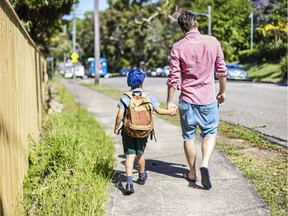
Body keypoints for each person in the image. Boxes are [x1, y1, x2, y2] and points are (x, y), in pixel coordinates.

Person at [166, 11, 227, 189]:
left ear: (181, 28)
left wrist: (170, 101)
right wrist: (222, 92)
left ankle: (192, 172)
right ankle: (205, 163)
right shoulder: (213, 42)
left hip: (187, 100)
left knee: (188, 137)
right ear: (196, 24)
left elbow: (173, 78)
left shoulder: (178, 47)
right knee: (210, 133)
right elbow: (222, 72)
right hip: (208, 99)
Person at [114, 69, 178, 195]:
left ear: (129, 83)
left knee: (129, 156)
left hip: (128, 131)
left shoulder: (125, 97)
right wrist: (171, 112)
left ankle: (129, 182)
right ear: (142, 83)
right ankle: (142, 176)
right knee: (140, 154)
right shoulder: (148, 96)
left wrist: (116, 127)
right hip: (143, 132)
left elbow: (120, 114)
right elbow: (159, 111)